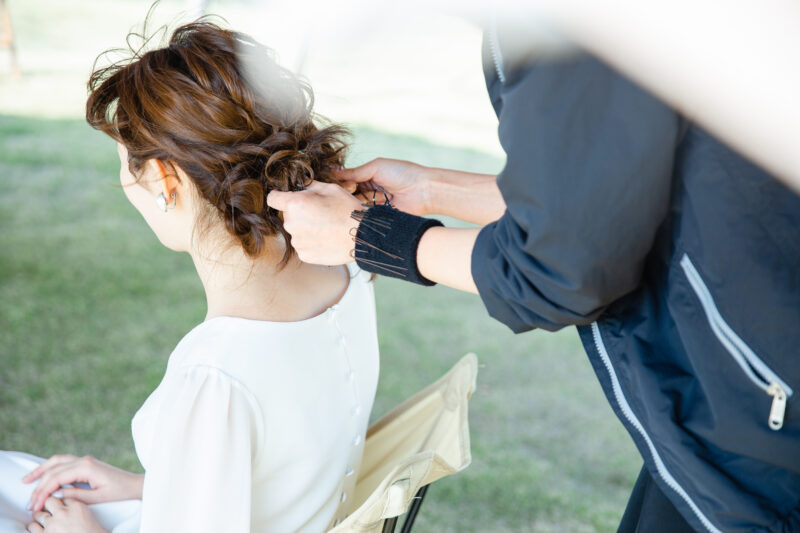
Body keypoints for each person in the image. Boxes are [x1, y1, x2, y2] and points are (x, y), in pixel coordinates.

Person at [266, 26, 800, 532]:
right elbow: (603, 198)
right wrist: (431, 189)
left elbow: (559, 272)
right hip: (722, 401)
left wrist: (368, 237)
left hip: (763, 423)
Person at [0, 21, 379, 533]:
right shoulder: (346, 270)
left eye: (125, 168)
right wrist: (156, 486)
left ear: (164, 178)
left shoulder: (217, 373)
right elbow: (288, 468)